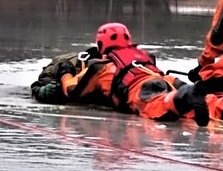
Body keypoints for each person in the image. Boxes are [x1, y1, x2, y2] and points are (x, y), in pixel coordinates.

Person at [55, 22, 210, 126]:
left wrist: (65, 72)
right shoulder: (145, 56)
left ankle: (186, 94)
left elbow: (72, 91)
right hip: (163, 79)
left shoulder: (98, 67)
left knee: (157, 106)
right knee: (210, 103)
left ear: (101, 44)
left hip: (140, 89)